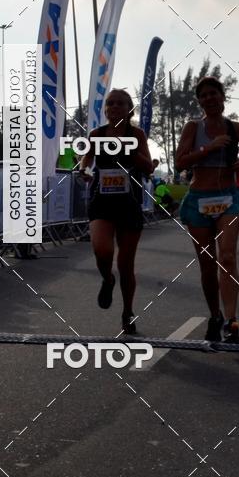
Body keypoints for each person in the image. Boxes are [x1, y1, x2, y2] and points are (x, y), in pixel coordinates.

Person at [175, 76, 239, 344]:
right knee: (206, 264)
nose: (210, 99)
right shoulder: (192, 127)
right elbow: (179, 162)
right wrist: (208, 148)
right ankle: (215, 315)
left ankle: (231, 320)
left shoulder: (236, 128)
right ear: (199, 101)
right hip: (199, 198)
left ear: (223, 97)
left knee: (227, 257)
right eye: (204, 95)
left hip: (228, 198)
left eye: (214, 94)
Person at [79, 89, 154, 333]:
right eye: (110, 103)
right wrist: (84, 170)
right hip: (101, 201)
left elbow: (148, 167)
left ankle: (127, 312)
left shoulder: (137, 134)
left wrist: (129, 149)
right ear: (105, 109)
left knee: (125, 264)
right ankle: (107, 279)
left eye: (120, 103)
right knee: (102, 251)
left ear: (129, 109)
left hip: (129, 203)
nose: (114, 107)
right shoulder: (96, 134)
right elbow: (86, 159)